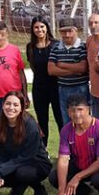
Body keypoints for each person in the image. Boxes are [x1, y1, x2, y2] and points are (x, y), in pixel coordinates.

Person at [0, 91, 52, 195]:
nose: (11, 108)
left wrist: (1, 171)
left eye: (15, 105)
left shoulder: (30, 125)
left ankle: (40, 191)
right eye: (8, 104)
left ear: (22, 107)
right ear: (3, 105)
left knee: (23, 173)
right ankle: (19, 185)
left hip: (36, 163)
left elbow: (27, 157)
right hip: (15, 163)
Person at [49, 93, 99, 195]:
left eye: (80, 110)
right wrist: (61, 193)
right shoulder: (66, 130)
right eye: (73, 110)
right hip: (79, 165)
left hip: (98, 168)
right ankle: (82, 193)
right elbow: (63, 160)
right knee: (55, 177)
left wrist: (77, 177)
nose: (77, 114)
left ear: (88, 109)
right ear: (68, 112)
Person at [26, 16, 63, 146]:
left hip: (56, 87)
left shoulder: (56, 45)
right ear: (32, 29)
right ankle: (43, 151)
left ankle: (66, 152)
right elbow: (33, 66)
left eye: (42, 26)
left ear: (47, 28)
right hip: (39, 88)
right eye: (36, 27)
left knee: (61, 119)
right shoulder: (30, 47)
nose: (39, 29)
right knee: (42, 120)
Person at [48, 17, 89, 125]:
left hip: (81, 88)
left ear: (76, 31)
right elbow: (51, 70)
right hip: (63, 89)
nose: (67, 35)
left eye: (70, 31)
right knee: (67, 121)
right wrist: (74, 70)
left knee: (83, 120)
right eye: (63, 32)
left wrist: (62, 65)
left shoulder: (82, 46)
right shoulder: (56, 47)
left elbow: (83, 68)